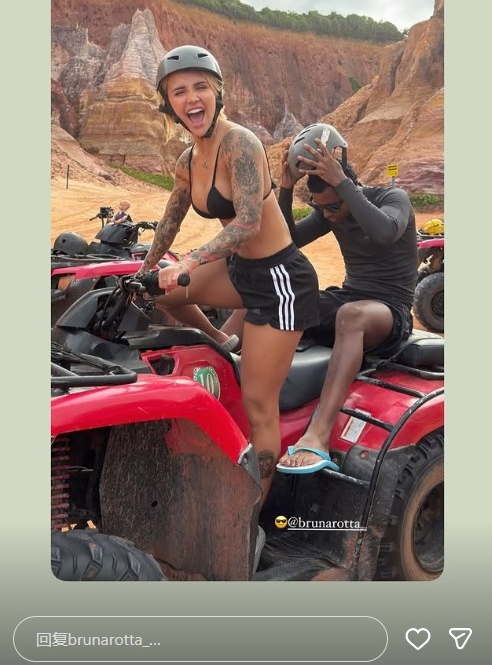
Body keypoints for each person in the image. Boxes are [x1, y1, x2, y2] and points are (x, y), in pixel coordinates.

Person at [137, 45, 319, 503]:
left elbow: (247, 223)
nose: (191, 98)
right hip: (240, 269)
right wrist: (144, 270)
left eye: (200, 87)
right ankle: (221, 341)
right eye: (179, 91)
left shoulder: (240, 143)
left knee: (259, 403)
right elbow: (171, 219)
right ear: (169, 103)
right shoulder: (187, 160)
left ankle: (255, 510)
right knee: (162, 295)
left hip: (280, 279)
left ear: (217, 93)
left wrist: (189, 262)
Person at [276, 123, 418, 475]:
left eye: (332, 206)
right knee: (282, 295)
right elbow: (288, 240)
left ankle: (318, 435)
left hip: (389, 310)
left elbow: (385, 232)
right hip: (349, 297)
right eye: (319, 207)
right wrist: (286, 189)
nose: (326, 214)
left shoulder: (392, 199)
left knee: (351, 316)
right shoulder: (332, 209)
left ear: (346, 185)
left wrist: (343, 184)